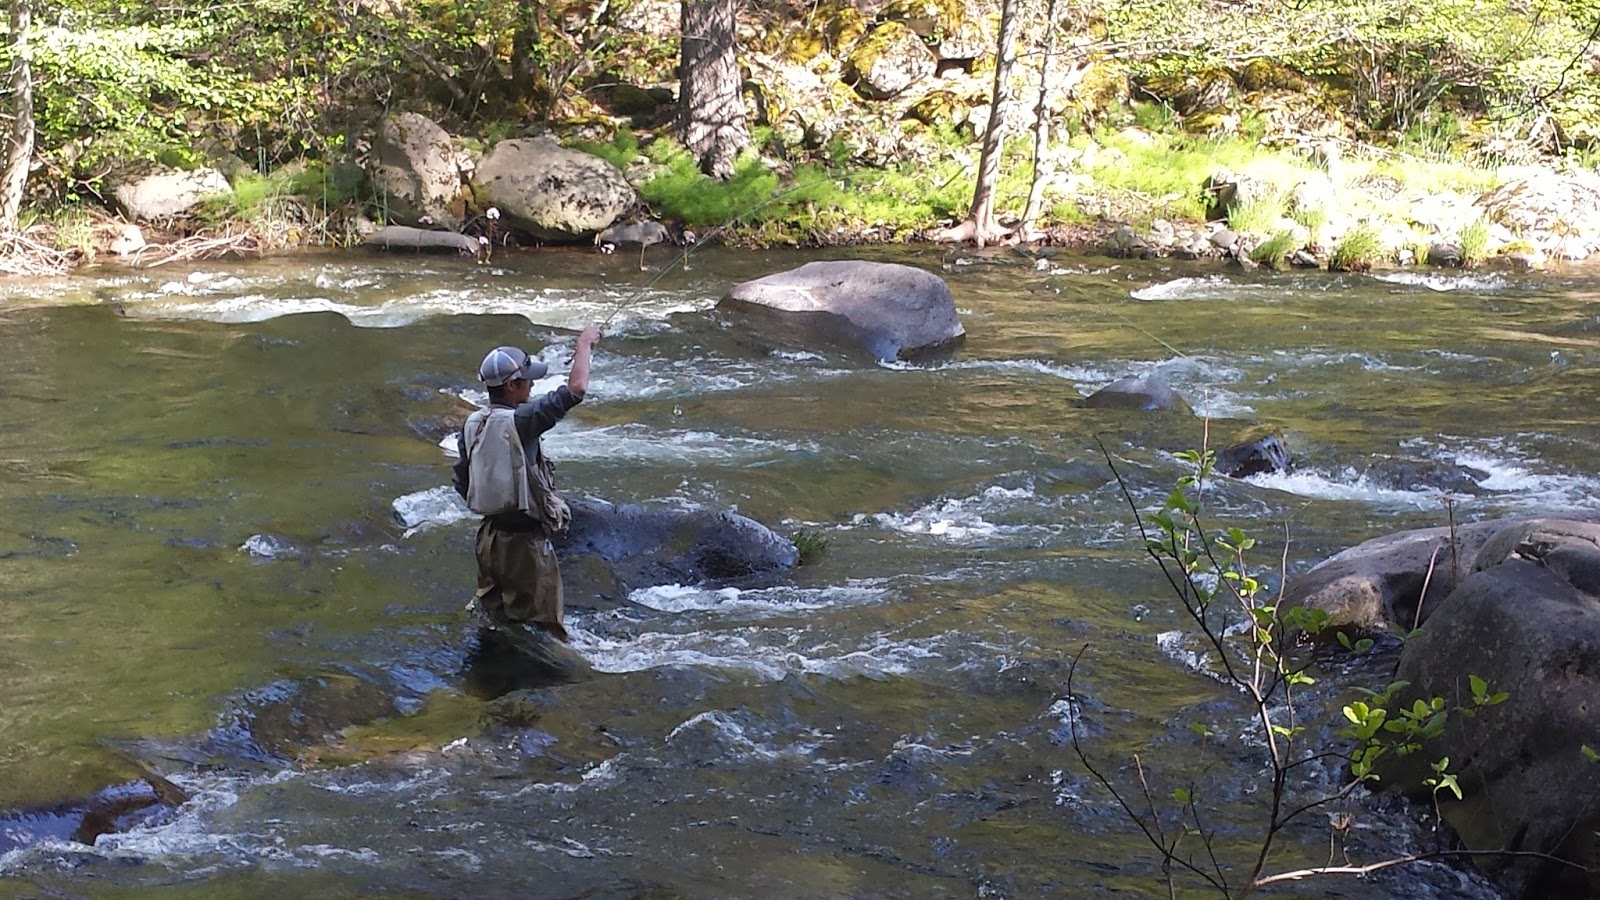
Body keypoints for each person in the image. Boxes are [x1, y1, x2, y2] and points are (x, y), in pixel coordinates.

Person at [452, 327, 600, 642]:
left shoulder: (471, 424)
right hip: (524, 545)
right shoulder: (522, 421)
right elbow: (576, 389)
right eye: (527, 379)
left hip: (488, 540)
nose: (532, 384)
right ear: (511, 385)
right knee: (544, 632)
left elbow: (462, 482)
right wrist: (584, 344)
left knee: (497, 623)